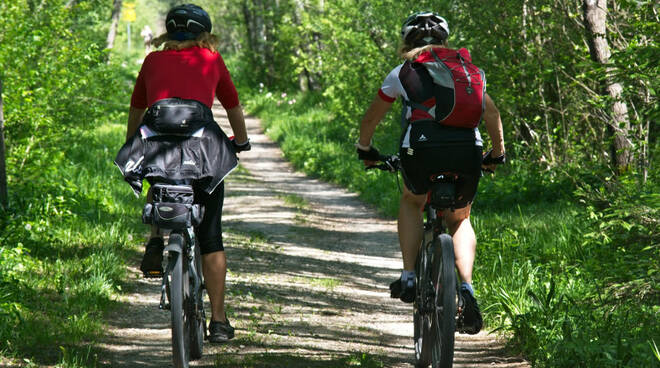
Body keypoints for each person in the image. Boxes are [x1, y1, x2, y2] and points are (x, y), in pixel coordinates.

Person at [356, 12, 505, 335]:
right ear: (444, 41)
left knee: (412, 200)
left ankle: (409, 275)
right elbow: (491, 112)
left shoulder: (402, 72)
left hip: (420, 152)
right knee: (460, 219)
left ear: (406, 42)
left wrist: (365, 150)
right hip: (467, 152)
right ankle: (466, 288)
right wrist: (497, 154)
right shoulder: (468, 71)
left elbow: (371, 120)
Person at [125, 4, 250, 343]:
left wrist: (131, 144)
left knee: (158, 173)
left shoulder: (152, 60)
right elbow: (233, 105)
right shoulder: (211, 59)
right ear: (203, 34)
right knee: (211, 235)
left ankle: (155, 237)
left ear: (169, 32)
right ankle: (220, 321)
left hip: (157, 145)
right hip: (203, 150)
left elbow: (137, 109)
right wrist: (242, 142)